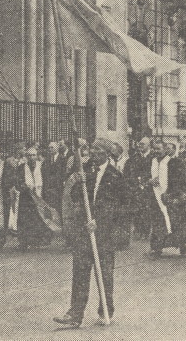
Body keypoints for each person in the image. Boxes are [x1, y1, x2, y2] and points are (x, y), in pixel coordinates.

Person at [54, 138, 130, 328]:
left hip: (103, 233)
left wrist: (101, 221)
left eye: (96, 150)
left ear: (106, 153)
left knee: (104, 274)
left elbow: (125, 206)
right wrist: (76, 183)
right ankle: (75, 313)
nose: (92, 153)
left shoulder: (116, 176)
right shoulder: (86, 170)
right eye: (92, 150)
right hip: (84, 231)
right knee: (80, 271)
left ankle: (105, 310)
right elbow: (75, 197)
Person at [15, 147, 53, 250]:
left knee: (38, 218)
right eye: (29, 155)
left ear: (36, 156)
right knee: (25, 220)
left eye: (33, 155)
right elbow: (17, 182)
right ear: (26, 157)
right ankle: (24, 241)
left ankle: (37, 241)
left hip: (39, 197)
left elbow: (47, 181)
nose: (31, 157)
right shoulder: (21, 167)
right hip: (26, 198)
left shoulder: (42, 167)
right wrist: (23, 186)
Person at [123, 137, 153, 240]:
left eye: (143, 144)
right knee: (137, 209)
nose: (140, 146)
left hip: (149, 188)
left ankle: (146, 231)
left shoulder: (153, 158)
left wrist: (147, 181)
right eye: (139, 144)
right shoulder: (133, 158)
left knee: (147, 210)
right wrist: (135, 182)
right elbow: (127, 172)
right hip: (136, 188)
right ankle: (138, 230)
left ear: (149, 145)